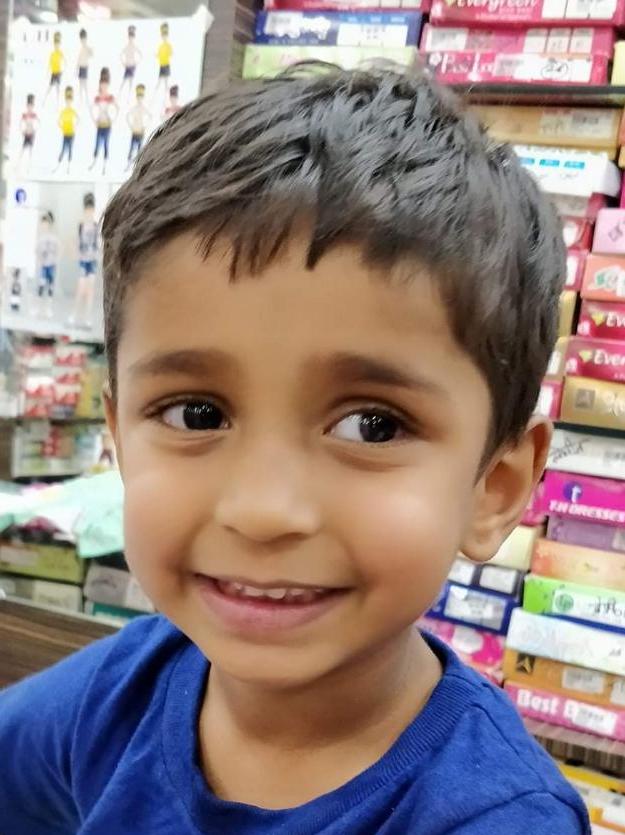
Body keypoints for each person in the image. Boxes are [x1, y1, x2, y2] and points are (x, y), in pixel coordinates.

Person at [0, 68, 590, 834]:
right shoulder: (123, 688)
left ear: (495, 487)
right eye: (196, 413)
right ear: (118, 438)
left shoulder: (494, 819)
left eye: (371, 425)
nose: (262, 510)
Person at [71, 192, 99, 327]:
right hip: (83, 260)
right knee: (81, 288)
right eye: (87, 209)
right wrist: (76, 252)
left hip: (92, 260)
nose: (89, 212)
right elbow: (76, 241)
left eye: (91, 209)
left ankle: (87, 318)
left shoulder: (95, 225)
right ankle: (74, 315)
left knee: (90, 289)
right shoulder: (81, 224)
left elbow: (98, 243)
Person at [90, 67, 118, 175]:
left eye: (105, 84)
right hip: (100, 124)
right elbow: (92, 108)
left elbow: (117, 108)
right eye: (102, 84)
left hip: (107, 125)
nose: (103, 86)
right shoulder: (98, 97)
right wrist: (94, 120)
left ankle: (104, 166)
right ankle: (94, 162)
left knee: (106, 144)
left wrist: (113, 119)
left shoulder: (110, 97)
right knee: (97, 144)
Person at [35, 211, 60, 318]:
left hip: (51, 266)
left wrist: (55, 260)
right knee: (41, 286)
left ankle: (48, 309)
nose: (43, 226)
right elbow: (37, 251)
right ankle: (38, 308)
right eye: (42, 224)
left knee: (50, 287)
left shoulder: (53, 237)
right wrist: (39, 260)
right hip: (43, 266)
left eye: (45, 224)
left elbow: (58, 249)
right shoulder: (40, 238)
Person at [126, 83, 150, 167]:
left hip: (140, 132)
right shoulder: (134, 108)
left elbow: (150, 117)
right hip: (135, 131)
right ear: (136, 98)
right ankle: (129, 164)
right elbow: (127, 116)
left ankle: (138, 166)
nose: (139, 99)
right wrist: (131, 126)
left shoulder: (143, 108)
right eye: (138, 97)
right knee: (131, 149)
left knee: (139, 150)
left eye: (141, 97)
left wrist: (145, 126)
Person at [56, 85, 79, 174]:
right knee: (63, 149)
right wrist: (62, 128)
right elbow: (58, 121)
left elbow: (78, 119)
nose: (68, 102)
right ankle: (59, 165)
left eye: (70, 101)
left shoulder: (72, 110)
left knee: (69, 149)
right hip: (65, 133)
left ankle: (68, 167)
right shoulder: (64, 111)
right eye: (67, 101)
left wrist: (74, 127)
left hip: (71, 133)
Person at [119, 24, 142, 97]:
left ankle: (129, 97)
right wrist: (123, 63)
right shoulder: (127, 46)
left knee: (130, 82)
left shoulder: (134, 46)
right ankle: (119, 95)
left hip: (132, 66)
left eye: (132, 37)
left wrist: (137, 62)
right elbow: (121, 55)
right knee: (124, 81)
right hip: (127, 66)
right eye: (129, 37)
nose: (130, 39)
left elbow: (141, 55)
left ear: (134, 38)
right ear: (128, 37)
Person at [44, 31, 64, 105]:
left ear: (59, 45)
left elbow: (65, 62)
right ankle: (45, 99)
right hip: (53, 73)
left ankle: (58, 102)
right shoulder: (52, 54)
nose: (56, 46)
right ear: (54, 45)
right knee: (50, 87)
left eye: (58, 44)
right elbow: (49, 64)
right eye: (55, 44)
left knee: (57, 88)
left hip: (58, 72)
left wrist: (63, 71)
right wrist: (47, 72)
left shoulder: (60, 53)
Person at [19, 93, 38, 170]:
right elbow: (20, 123)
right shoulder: (24, 114)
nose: (30, 107)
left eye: (31, 106)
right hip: (26, 134)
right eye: (28, 106)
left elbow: (37, 123)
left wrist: (34, 130)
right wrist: (22, 131)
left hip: (31, 134)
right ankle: (19, 164)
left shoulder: (34, 115)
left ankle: (29, 166)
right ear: (27, 106)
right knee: (23, 149)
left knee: (30, 150)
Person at [76, 28, 93, 106]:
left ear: (86, 38)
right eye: (81, 39)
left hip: (85, 67)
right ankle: (81, 100)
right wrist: (76, 69)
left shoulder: (87, 48)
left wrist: (89, 50)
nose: (82, 41)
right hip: (81, 67)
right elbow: (78, 60)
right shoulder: (81, 48)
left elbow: (91, 55)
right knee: (80, 85)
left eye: (84, 39)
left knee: (85, 85)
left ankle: (86, 100)